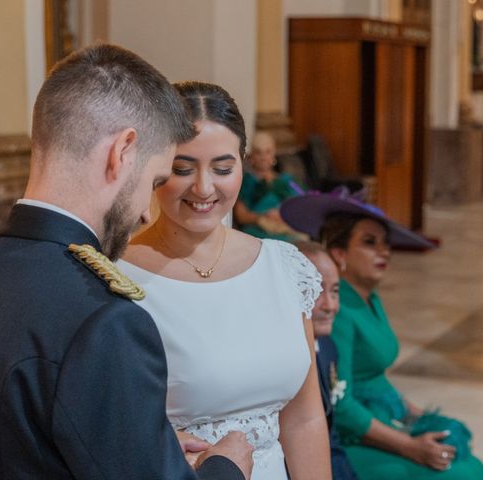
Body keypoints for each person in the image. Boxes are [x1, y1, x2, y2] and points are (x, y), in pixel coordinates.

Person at [0, 44, 253, 480]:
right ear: (122, 152)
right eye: (155, 180)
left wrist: (143, 445)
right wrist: (226, 468)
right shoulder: (102, 319)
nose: (147, 212)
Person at [119, 81, 331, 480]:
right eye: (182, 169)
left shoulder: (283, 267)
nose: (203, 188)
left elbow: (304, 419)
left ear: (242, 164)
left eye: (222, 168)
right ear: (155, 166)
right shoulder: (118, 274)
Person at [281, 190, 483, 480]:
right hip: (354, 433)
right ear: (339, 254)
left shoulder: (369, 297)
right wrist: (409, 446)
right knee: (460, 475)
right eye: (370, 243)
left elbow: (376, 376)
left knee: (467, 461)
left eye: (386, 243)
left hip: (382, 415)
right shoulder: (334, 313)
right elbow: (339, 404)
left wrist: (415, 415)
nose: (385, 251)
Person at [296, 241, 358, 480]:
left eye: (334, 291)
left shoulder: (329, 347)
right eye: (317, 291)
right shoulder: (282, 365)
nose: (330, 306)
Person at [233, 131, 305, 242]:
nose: (263, 157)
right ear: (251, 156)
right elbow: (241, 216)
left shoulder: (286, 181)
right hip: (257, 229)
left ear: (273, 154)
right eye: (258, 152)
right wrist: (263, 216)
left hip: (285, 225)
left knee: (302, 239)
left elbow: (303, 202)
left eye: (268, 152)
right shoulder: (245, 181)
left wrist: (282, 215)